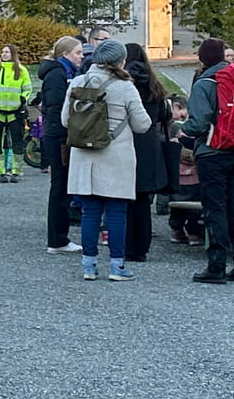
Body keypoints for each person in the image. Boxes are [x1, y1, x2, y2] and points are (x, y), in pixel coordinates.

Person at [64, 40, 152, 281]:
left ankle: (89, 265)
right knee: (116, 212)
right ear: (120, 61)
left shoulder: (78, 83)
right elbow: (143, 125)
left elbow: (65, 120)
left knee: (90, 211)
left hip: (84, 156)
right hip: (116, 156)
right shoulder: (125, 87)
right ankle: (117, 265)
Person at [179, 37, 234, 284]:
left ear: (202, 58)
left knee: (215, 208)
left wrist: (185, 130)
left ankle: (216, 265)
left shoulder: (205, 83)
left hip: (213, 151)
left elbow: (200, 121)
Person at [36, 35, 83, 250]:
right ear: (65, 54)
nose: (81, 57)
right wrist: (64, 134)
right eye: (78, 53)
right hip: (59, 136)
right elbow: (55, 108)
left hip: (59, 134)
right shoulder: (58, 74)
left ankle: (59, 237)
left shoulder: (65, 72)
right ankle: (57, 239)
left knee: (63, 186)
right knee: (60, 186)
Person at [124, 43, 169, 263]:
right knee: (142, 199)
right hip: (150, 144)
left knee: (123, 197)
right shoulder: (154, 84)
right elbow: (163, 115)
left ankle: (126, 244)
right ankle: (141, 247)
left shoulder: (124, 83)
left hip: (127, 140)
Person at [0, 44, 34, 181]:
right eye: (3, 52)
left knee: (17, 143)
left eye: (7, 52)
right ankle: (1, 171)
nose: (4, 54)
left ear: (13, 54)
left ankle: (16, 171)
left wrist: (23, 99)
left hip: (15, 113)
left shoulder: (21, 70)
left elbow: (27, 88)